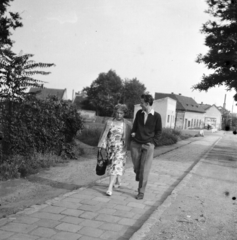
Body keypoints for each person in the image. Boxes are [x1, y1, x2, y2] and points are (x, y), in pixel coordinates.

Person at [131, 94, 162, 200]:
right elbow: (134, 127)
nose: (140, 104)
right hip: (136, 144)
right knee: (136, 167)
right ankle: (138, 173)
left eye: (142, 103)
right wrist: (133, 133)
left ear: (147, 103)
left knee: (145, 169)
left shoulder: (157, 116)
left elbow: (159, 131)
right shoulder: (139, 113)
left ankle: (141, 192)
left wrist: (153, 142)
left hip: (148, 145)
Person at [97, 104, 132, 196]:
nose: (119, 115)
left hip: (121, 148)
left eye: (121, 113)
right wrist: (101, 146)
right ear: (114, 113)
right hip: (110, 148)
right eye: (117, 113)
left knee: (115, 166)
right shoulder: (109, 122)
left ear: (124, 114)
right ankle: (117, 180)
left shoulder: (127, 124)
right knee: (111, 166)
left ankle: (109, 188)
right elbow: (104, 135)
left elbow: (131, 135)